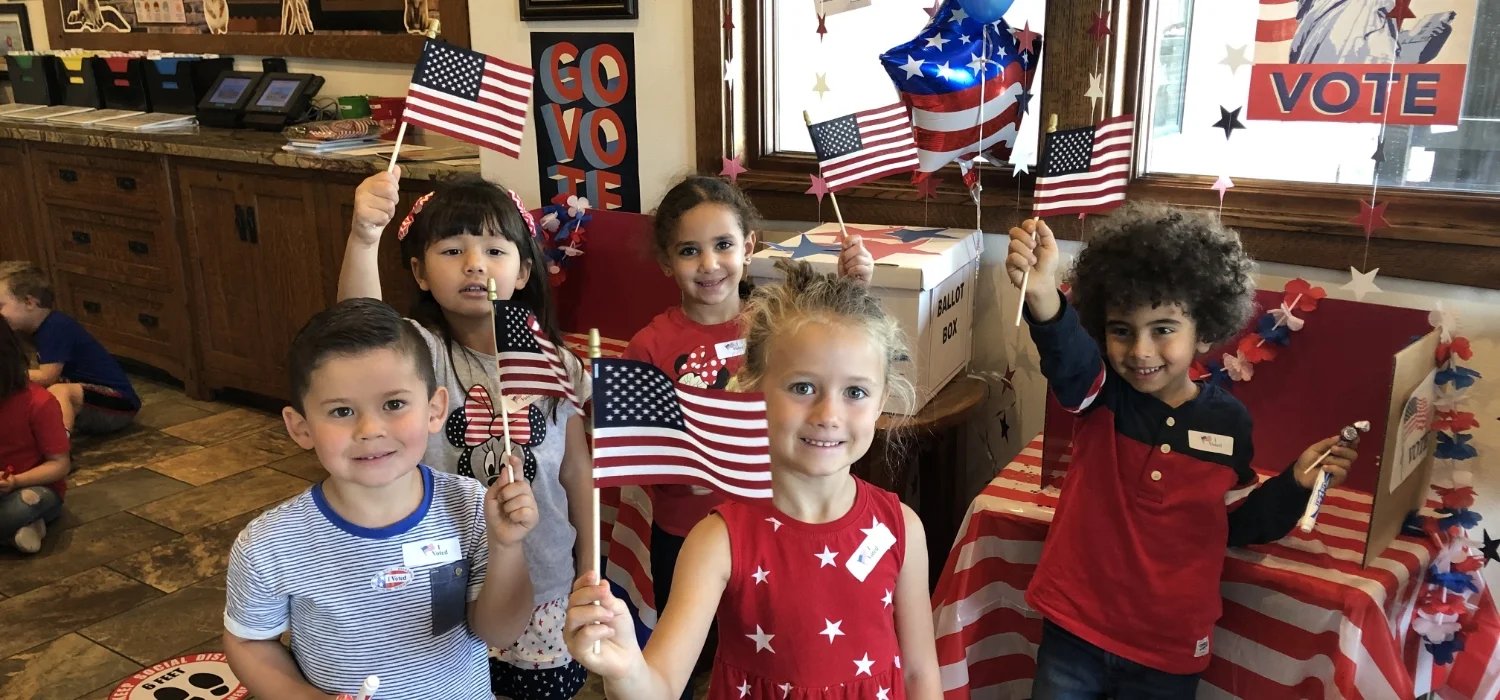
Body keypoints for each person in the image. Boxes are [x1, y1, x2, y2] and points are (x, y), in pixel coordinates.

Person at [1003, 206, 1359, 699]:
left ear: (1206, 332)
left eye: (1164, 329)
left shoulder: (1230, 424)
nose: (1141, 351)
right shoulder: (1102, 394)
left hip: (1169, 649)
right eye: (1122, 330)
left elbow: (1238, 521)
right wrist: (1042, 296)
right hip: (1074, 630)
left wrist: (1296, 482)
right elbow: (1070, 363)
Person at [563, 259, 942, 700]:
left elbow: (919, 674)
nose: (829, 415)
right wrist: (626, 665)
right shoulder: (718, 541)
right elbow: (660, 687)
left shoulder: (902, 530)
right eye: (802, 387)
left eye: (855, 392)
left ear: (882, 402)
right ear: (752, 389)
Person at [341, 170, 594, 699]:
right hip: (443, 579)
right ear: (420, 272)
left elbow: (576, 474)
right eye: (452, 250)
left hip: (543, 578)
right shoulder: (421, 355)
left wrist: (589, 570)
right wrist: (365, 237)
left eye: (494, 250)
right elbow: (360, 327)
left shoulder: (558, 366)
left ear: (524, 270)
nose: (475, 263)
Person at [223, 298, 538, 700]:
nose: (370, 429)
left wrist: (507, 547)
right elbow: (249, 642)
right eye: (341, 411)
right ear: (301, 428)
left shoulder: (472, 507)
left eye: (393, 404)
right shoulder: (270, 544)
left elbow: (499, 631)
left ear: (435, 409)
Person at [624, 176, 875, 680]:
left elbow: (836, 355)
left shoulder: (778, 326)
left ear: (749, 246)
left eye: (723, 245)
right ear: (667, 262)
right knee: (692, 660)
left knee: (770, 651)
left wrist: (855, 289)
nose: (710, 264)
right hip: (686, 530)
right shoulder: (649, 346)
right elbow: (642, 453)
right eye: (690, 251)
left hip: (771, 526)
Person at [0, 262, 140, 435]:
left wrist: (8, 374)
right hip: (86, 400)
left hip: (118, 403)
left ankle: (60, 443)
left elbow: (47, 376)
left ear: (29, 302)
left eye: (0, 306)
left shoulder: (56, 327)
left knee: (58, 390)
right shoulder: (26, 332)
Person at [0, 321, 69, 554]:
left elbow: (59, 465)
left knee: (26, 503)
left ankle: (22, 522)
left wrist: (16, 482)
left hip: (32, 487)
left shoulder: (39, 402)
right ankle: (17, 533)